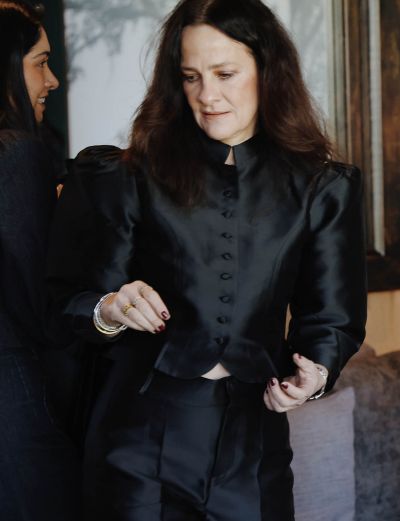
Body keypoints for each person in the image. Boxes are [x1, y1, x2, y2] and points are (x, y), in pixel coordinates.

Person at [47, 0, 367, 518]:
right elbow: (65, 303)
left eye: (224, 74)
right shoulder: (124, 176)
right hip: (137, 440)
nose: (207, 95)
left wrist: (315, 375)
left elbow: (331, 318)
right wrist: (109, 307)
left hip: (254, 440)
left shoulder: (322, 188)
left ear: (269, 71)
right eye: (191, 77)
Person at [0, 1, 80, 519]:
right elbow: (40, 304)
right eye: (40, 62)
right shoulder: (15, 154)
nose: (51, 81)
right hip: (16, 400)